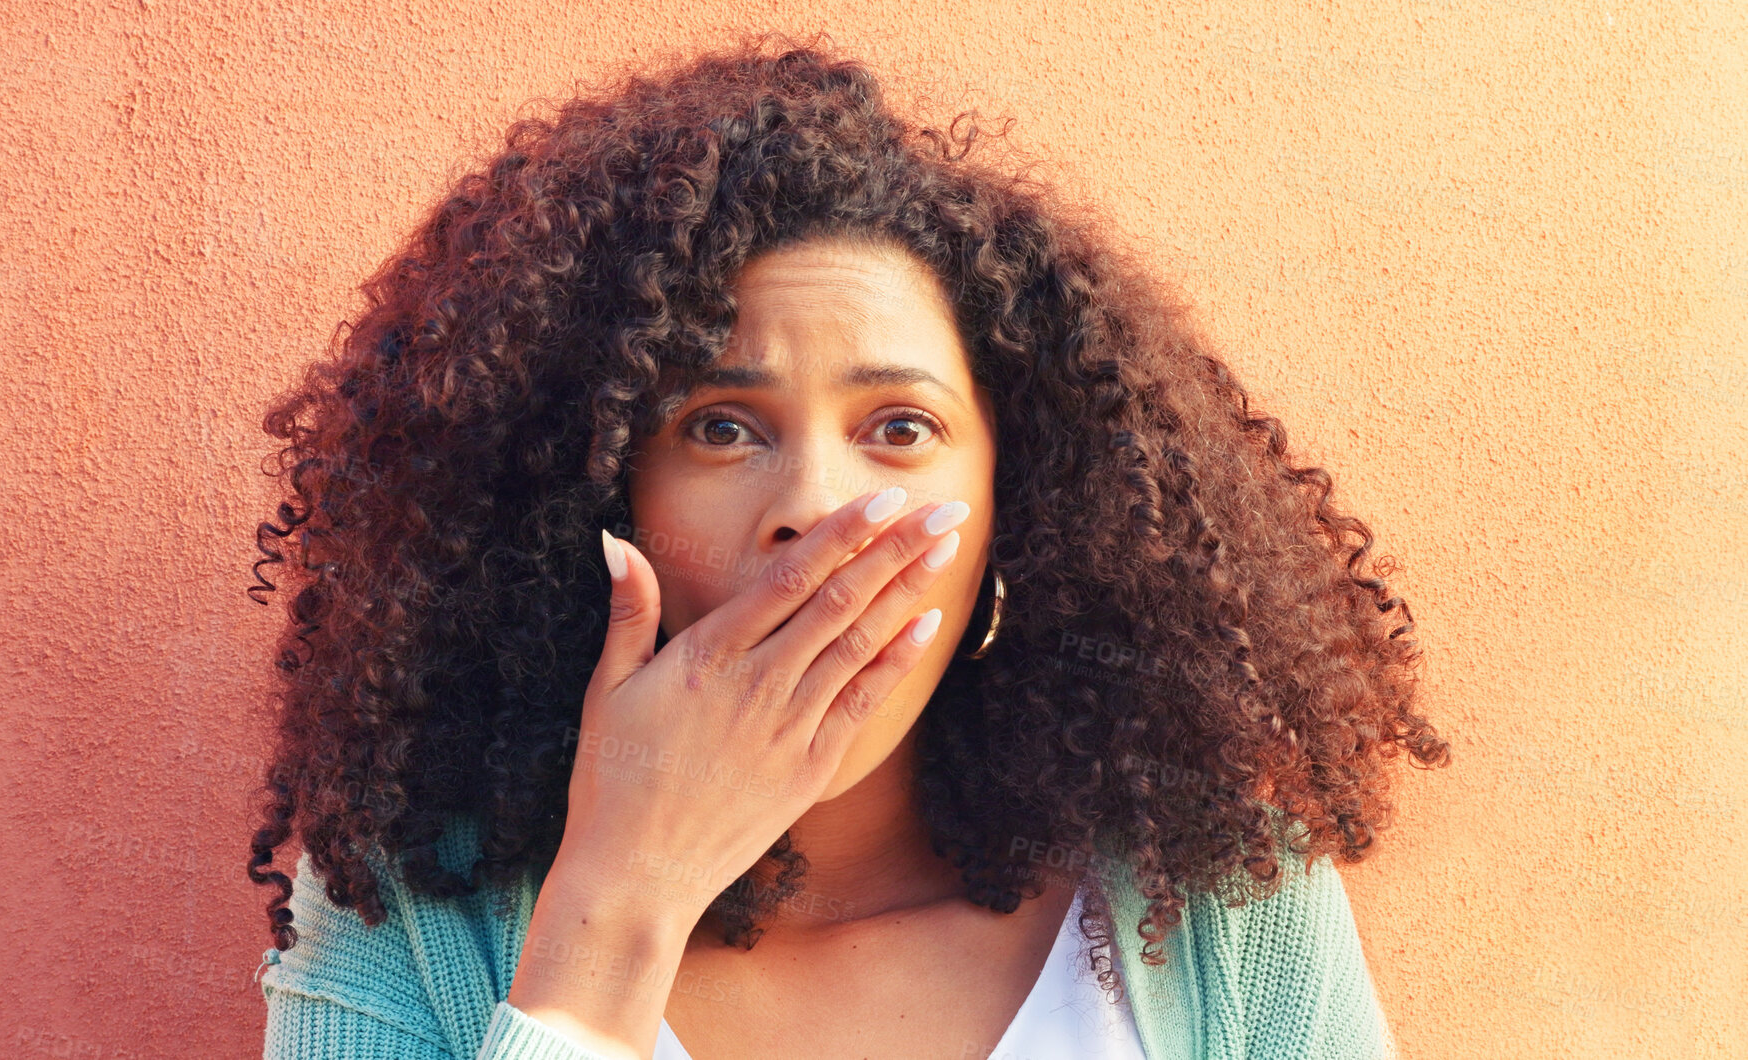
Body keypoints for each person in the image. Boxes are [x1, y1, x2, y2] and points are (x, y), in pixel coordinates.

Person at [246, 30, 1449, 1060]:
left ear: (1014, 503)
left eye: (899, 427)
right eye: (721, 427)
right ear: (597, 497)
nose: (816, 505)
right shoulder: (412, 908)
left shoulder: (1212, 896)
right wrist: (615, 908)